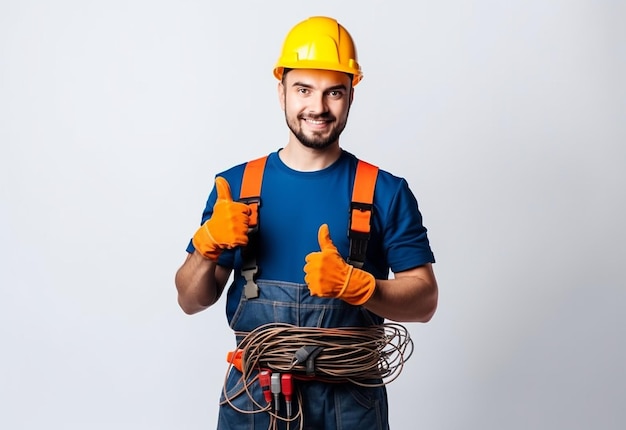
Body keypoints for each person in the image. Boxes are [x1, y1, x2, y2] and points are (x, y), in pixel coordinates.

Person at [175, 15, 438, 430]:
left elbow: (424, 301)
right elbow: (190, 300)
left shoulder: (385, 192)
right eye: (304, 90)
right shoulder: (237, 186)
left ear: (352, 94)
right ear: (281, 91)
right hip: (255, 400)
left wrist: (359, 285)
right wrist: (207, 245)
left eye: (334, 92)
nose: (318, 107)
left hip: (350, 403)